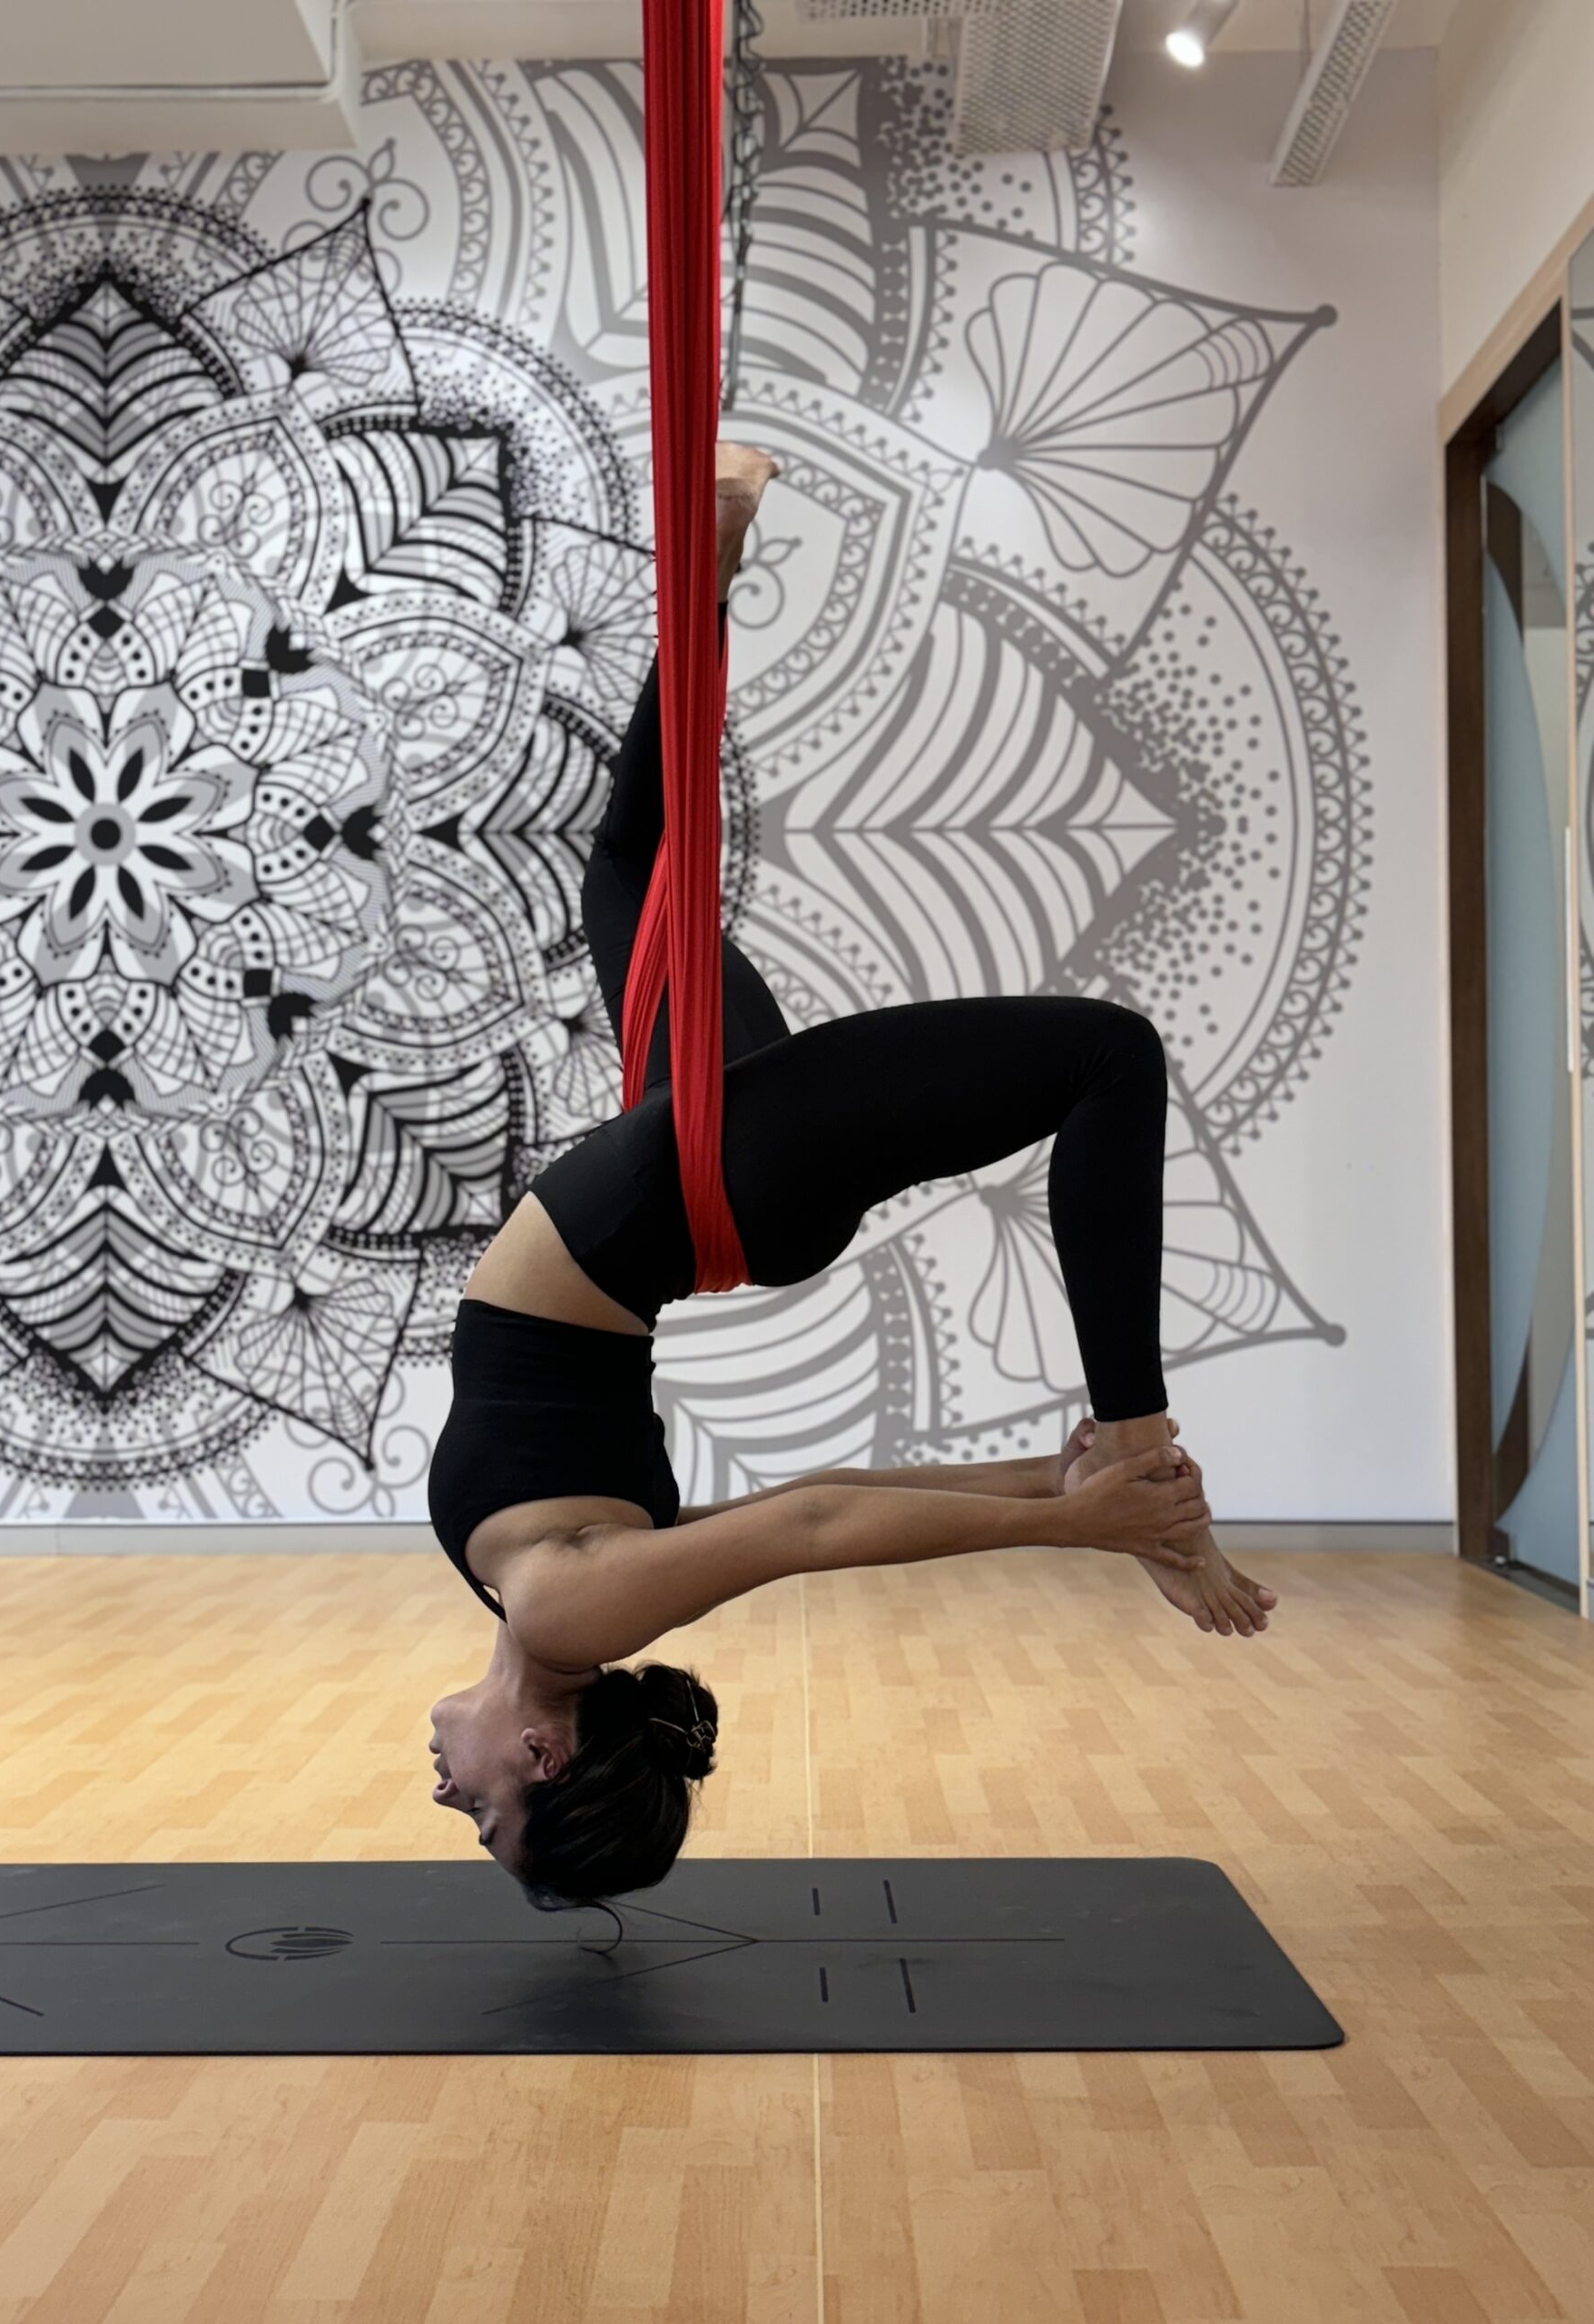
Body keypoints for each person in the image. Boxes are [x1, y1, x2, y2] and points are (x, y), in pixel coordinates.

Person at [426, 445, 1278, 1905]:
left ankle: (715, 558)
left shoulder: (560, 1601)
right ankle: (1145, 1444)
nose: (447, 1795)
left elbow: (809, 1491)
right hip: (701, 1191)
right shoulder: (565, 1608)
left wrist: (1032, 1479)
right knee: (1104, 1059)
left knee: (634, 863)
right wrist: (1090, 1508)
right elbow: (811, 1530)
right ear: (545, 1763)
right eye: (486, 1818)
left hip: (686, 1188)